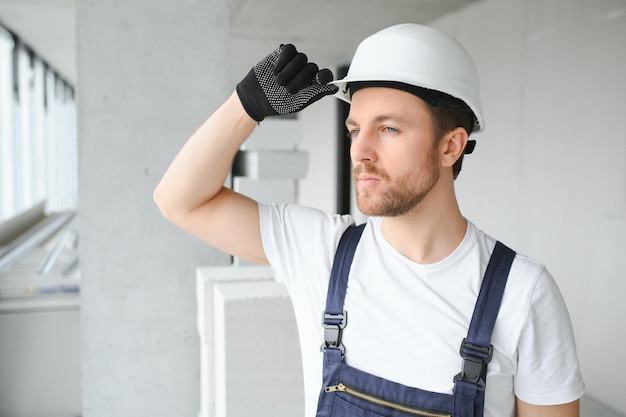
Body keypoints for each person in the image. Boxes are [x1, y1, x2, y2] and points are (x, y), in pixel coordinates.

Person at [154, 23, 584, 417]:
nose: (361, 151)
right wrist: (245, 106)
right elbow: (180, 201)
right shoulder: (321, 250)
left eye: (389, 129)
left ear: (450, 147)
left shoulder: (522, 293)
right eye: (355, 130)